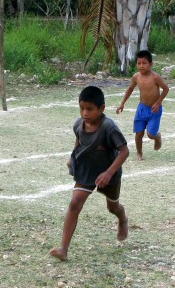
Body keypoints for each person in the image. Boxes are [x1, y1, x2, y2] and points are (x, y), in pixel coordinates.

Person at [51, 86, 129, 261]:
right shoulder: (78, 124)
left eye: (89, 109)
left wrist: (108, 173)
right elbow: (79, 142)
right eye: (81, 108)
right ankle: (63, 249)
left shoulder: (109, 127)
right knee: (74, 203)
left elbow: (124, 151)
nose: (85, 113)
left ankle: (122, 219)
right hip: (86, 171)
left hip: (108, 173)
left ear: (101, 109)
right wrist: (73, 157)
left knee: (113, 207)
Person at [116, 50, 169, 160]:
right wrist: (122, 103)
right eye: (139, 63)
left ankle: (157, 137)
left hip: (154, 110)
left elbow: (165, 89)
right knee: (138, 133)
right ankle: (139, 153)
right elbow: (130, 88)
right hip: (142, 108)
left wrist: (158, 102)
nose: (141, 66)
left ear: (150, 64)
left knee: (150, 134)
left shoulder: (155, 77)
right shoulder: (136, 77)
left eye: (144, 63)